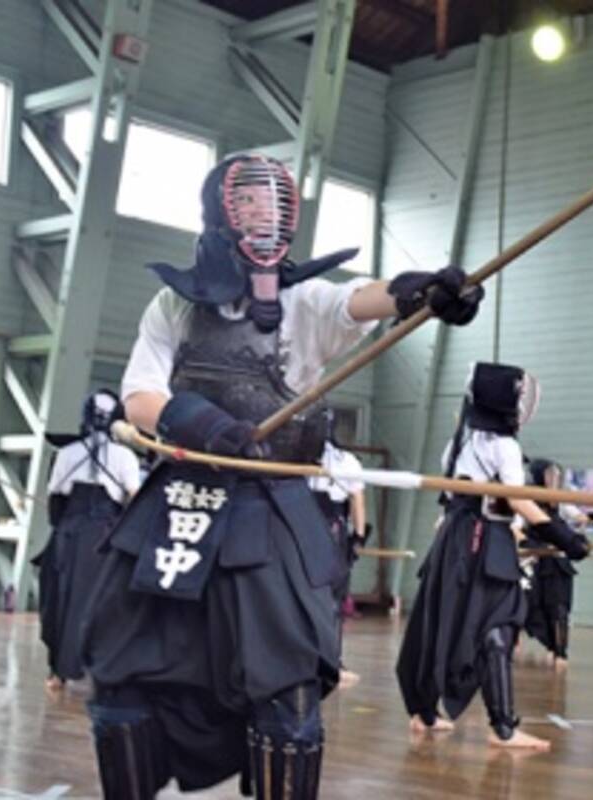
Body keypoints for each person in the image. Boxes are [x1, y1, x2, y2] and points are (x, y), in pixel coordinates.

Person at [80, 153, 482, 799]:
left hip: (269, 512)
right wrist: (200, 423)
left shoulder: (305, 301)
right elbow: (139, 398)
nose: (266, 217)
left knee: (286, 691)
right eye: (250, 205)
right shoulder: (173, 306)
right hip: (180, 504)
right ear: (221, 214)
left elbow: (363, 299)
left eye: (277, 205)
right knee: (121, 678)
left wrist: (422, 291)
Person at [395, 362, 590, 751]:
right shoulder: (504, 447)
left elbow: (457, 499)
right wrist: (566, 538)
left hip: (457, 539)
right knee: (498, 623)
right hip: (482, 541)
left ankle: (425, 712)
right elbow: (517, 500)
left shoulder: (459, 443)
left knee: (444, 621)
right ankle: (503, 727)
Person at [34, 389, 140, 690]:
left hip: (69, 536)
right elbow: (134, 500)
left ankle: (58, 672)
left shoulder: (66, 454)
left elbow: (55, 503)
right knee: (108, 603)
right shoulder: (125, 456)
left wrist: (64, 528)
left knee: (61, 599)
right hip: (106, 541)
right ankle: (104, 671)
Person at [517, 458, 593, 672]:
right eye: (549, 476)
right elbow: (515, 529)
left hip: (558, 564)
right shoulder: (525, 500)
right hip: (535, 563)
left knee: (559, 608)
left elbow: (578, 519)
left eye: (556, 476)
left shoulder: (560, 501)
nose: (554, 480)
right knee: (532, 608)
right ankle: (545, 645)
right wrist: (530, 546)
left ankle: (560, 651)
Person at [308, 422, 370, 688]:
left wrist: (356, 537)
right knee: (332, 597)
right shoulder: (346, 460)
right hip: (328, 528)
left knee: (320, 596)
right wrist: (358, 537)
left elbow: (356, 500)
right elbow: (358, 501)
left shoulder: (301, 453)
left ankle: (325, 660)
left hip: (314, 525)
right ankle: (330, 661)